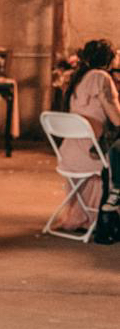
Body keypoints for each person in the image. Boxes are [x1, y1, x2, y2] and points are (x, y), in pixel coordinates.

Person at [56, 39, 120, 231]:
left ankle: (84, 215)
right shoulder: (100, 77)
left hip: (69, 155)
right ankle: (108, 214)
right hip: (92, 155)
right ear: (108, 59)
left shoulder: (77, 77)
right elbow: (117, 119)